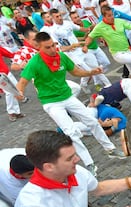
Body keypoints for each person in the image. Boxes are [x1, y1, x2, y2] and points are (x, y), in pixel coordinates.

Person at [16, 32, 125, 176]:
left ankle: (110, 149)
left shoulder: (61, 56)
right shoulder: (34, 63)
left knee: (92, 121)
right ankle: (90, 164)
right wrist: (20, 93)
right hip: (51, 103)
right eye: (48, 47)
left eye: (54, 45)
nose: (53, 49)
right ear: (39, 48)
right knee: (71, 132)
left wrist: (91, 72)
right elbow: (22, 82)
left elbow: (76, 72)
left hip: (67, 96)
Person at [14, 130, 131, 207]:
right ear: (49, 167)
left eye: (75, 154)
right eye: (70, 158)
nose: (77, 160)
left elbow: (99, 188)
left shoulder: (74, 171)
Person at [49, 9, 112, 93]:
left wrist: (92, 28)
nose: (60, 18)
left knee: (95, 67)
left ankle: (109, 86)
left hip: (81, 50)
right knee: (88, 71)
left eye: (60, 15)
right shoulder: (53, 31)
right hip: (72, 55)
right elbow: (60, 48)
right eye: (57, 16)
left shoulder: (68, 23)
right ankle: (84, 84)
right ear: (52, 18)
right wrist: (72, 46)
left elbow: (83, 29)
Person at [0, 46, 25, 122]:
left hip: (6, 72)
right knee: (9, 92)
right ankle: (11, 112)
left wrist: (20, 54)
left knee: (16, 89)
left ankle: (16, 112)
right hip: (1, 75)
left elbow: (9, 54)